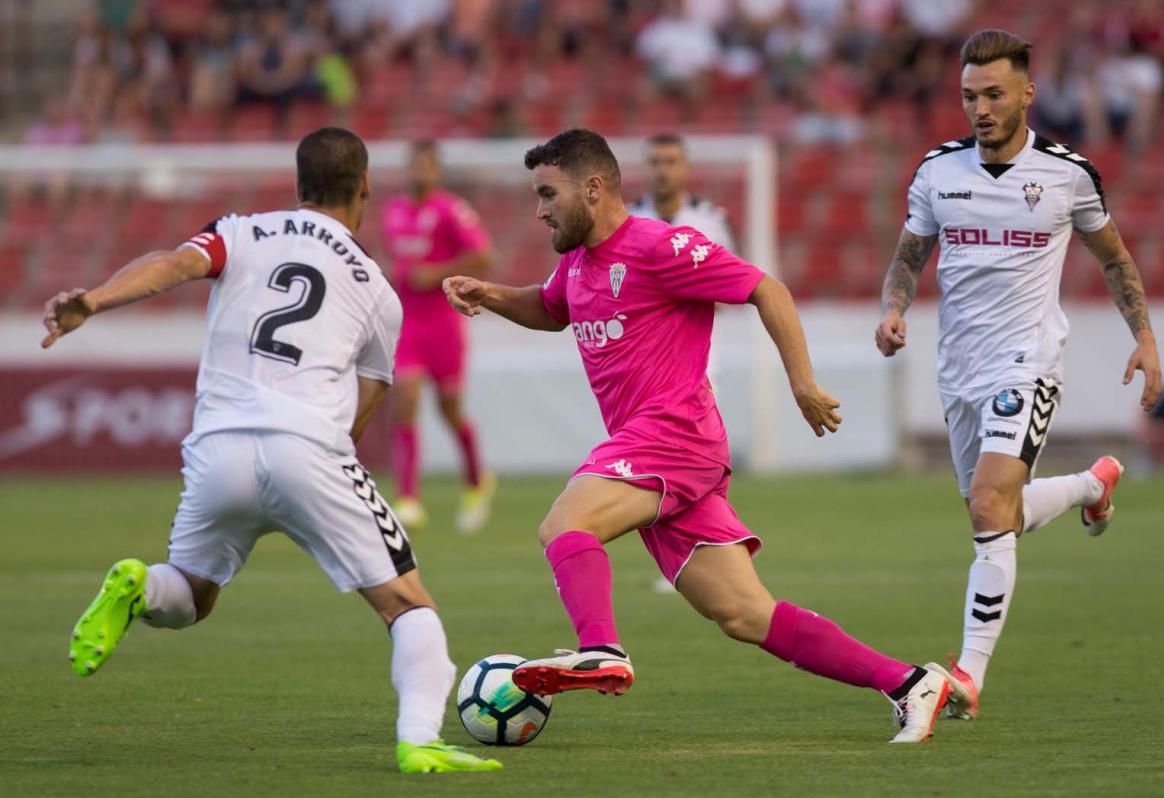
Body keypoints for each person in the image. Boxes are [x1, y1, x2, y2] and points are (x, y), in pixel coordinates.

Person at [444, 128, 961, 744]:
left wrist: (801, 383)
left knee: (564, 524)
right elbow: (552, 309)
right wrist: (489, 293)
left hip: (674, 433)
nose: (539, 210)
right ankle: (910, 683)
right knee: (745, 614)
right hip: (660, 454)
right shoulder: (577, 266)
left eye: (548, 194)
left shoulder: (661, 246)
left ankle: (601, 648)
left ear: (593, 187)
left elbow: (766, 288)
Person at [43, 127, 501, 775]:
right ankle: (421, 739)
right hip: (307, 445)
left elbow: (173, 265)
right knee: (407, 603)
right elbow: (372, 390)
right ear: (365, 186)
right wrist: (328, 466)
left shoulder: (240, 230)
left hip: (218, 447)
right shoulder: (375, 286)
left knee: (193, 595)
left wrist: (93, 300)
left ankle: (142, 586)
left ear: (297, 183)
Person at [875, 29, 1163, 721]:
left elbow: (1115, 258)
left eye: (995, 94)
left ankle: (969, 676)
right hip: (959, 370)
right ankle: (1093, 484)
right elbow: (909, 255)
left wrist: (1145, 337)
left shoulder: (1068, 174)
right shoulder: (938, 171)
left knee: (987, 507)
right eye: (970, 95)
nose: (980, 108)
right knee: (997, 510)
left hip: (1027, 361)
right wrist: (892, 309)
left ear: (1027, 94)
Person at [629, 131, 735, 594]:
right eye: (655, 160)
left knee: (693, 468)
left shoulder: (709, 220)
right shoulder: (629, 220)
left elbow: (734, 285)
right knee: (660, 468)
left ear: (685, 167)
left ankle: (704, 557)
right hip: (645, 368)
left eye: (671, 160)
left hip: (698, 364)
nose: (663, 169)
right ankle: (686, 560)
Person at [380, 140, 496, 533]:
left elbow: (483, 256)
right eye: (413, 165)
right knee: (406, 398)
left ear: (436, 171)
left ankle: (477, 481)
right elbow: (394, 259)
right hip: (409, 323)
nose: (419, 173)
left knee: (450, 409)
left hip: (445, 324)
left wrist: (435, 273)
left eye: (426, 166)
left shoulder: (451, 210)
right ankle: (409, 498)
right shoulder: (393, 211)